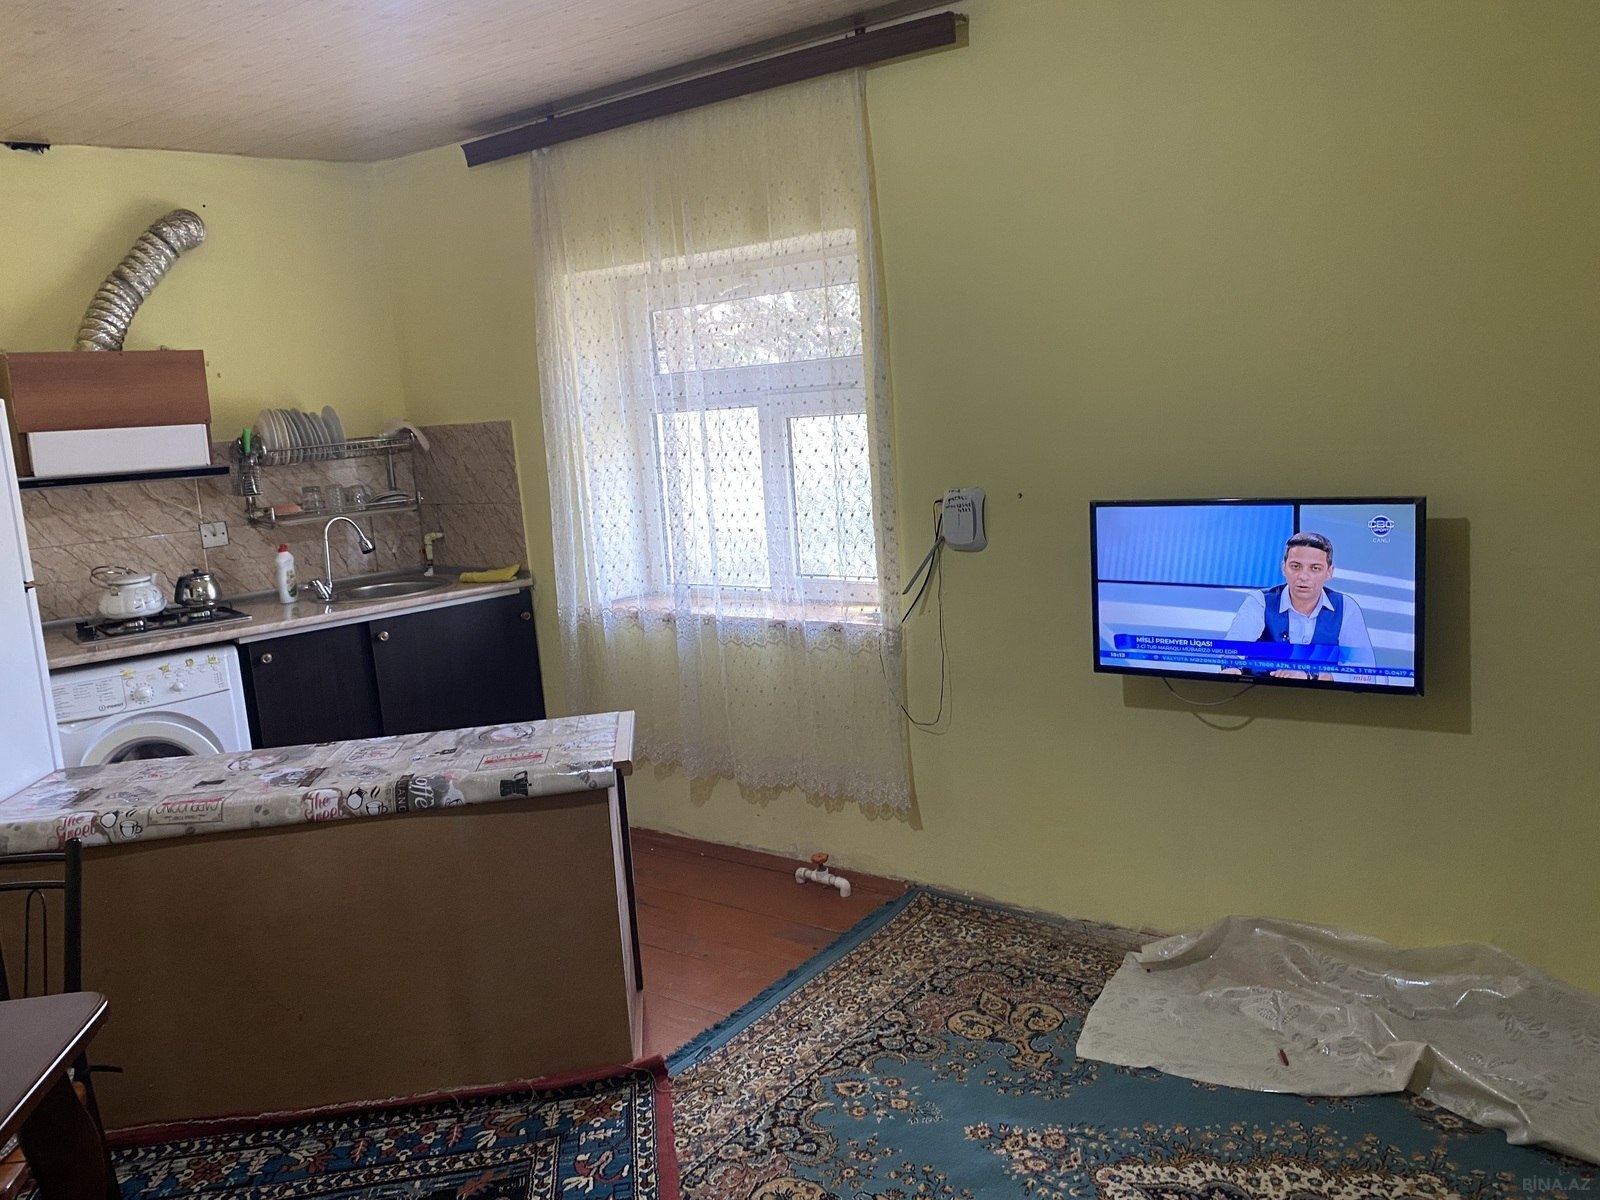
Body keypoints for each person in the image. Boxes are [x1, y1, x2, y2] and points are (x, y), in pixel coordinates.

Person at [1220, 531, 1375, 681]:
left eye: (1315, 568)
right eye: (1295, 566)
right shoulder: (1260, 601)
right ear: (1284, 568)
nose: (1303, 576)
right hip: (1262, 693)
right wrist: (1232, 668)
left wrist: (1313, 676)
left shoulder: (1346, 607)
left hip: (1324, 696)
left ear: (1329, 572)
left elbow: (1365, 671)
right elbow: (1232, 650)